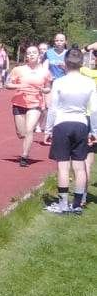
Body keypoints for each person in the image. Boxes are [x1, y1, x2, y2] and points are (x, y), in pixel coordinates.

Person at [43, 47, 97, 213]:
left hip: (62, 124)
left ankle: (63, 204)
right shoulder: (89, 83)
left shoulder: (59, 82)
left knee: (63, 166)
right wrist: (94, 131)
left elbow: (53, 109)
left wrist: (48, 129)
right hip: (81, 124)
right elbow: (94, 110)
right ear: (82, 63)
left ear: (65, 63)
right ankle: (77, 205)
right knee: (80, 166)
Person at [6, 44, 52, 166]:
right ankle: (24, 143)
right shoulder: (18, 70)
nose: (31, 55)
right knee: (22, 134)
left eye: (34, 53)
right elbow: (8, 85)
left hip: (36, 103)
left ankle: (24, 156)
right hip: (19, 102)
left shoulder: (45, 72)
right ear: (26, 56)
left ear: (39, 55)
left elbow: (48, 87)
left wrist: (44, 90)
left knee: (29, 129)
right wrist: (19, 86)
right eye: (29, 53)